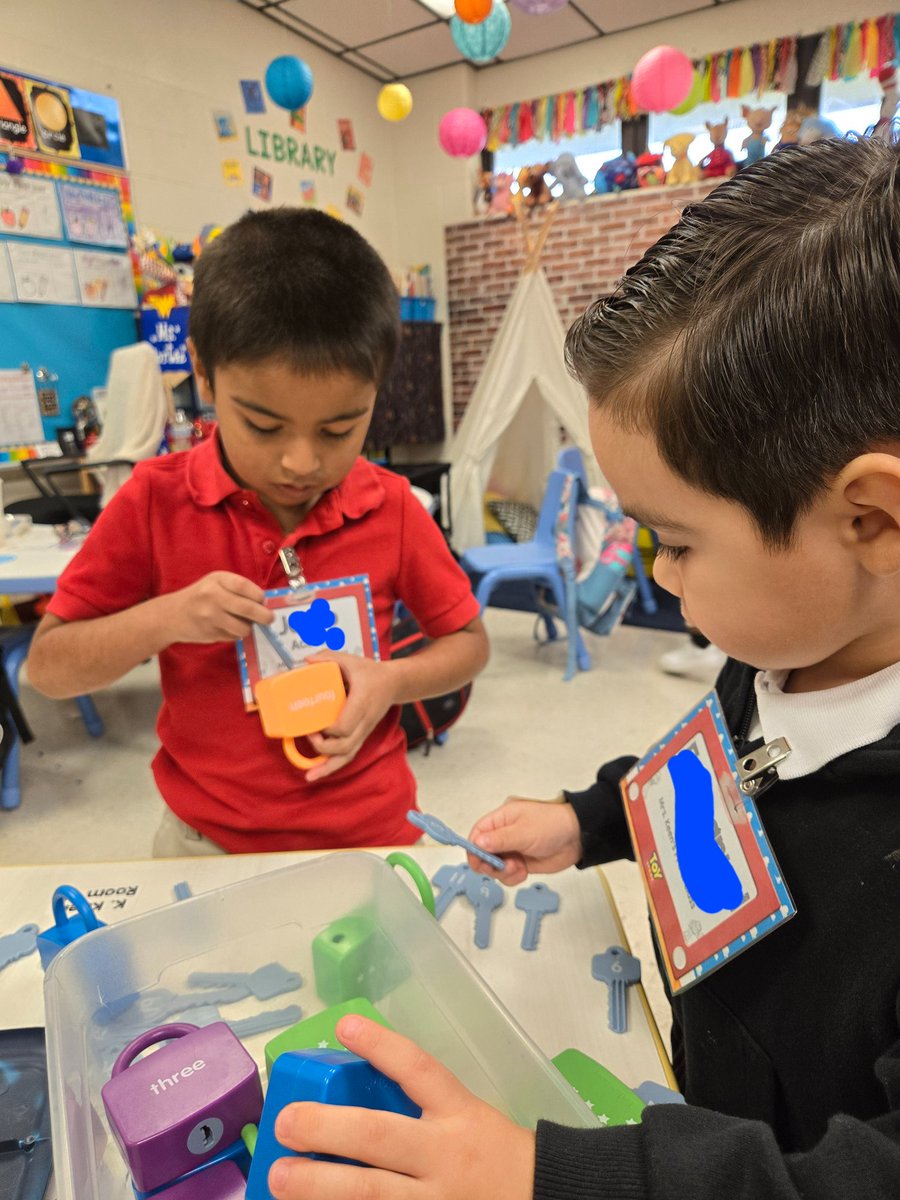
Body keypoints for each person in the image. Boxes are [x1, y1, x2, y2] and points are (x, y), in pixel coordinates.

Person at [260, 138, 900, 1198]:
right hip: (708, 1078)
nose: (657, 571)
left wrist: (553, 1181)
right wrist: (592, 817)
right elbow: (717, 779)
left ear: (869, 516)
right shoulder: (786, 652)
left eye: (677, 543)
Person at [26, 209, 488, 856]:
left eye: (338, 429)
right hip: (206, 844)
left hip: (372, 836)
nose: (301, 462)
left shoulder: (391, 506)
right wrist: (166, 618)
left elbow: (468, 644)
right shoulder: (155, 502)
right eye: (264, 427)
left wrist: (391, 682)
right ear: (205, 374)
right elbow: (47, 670)